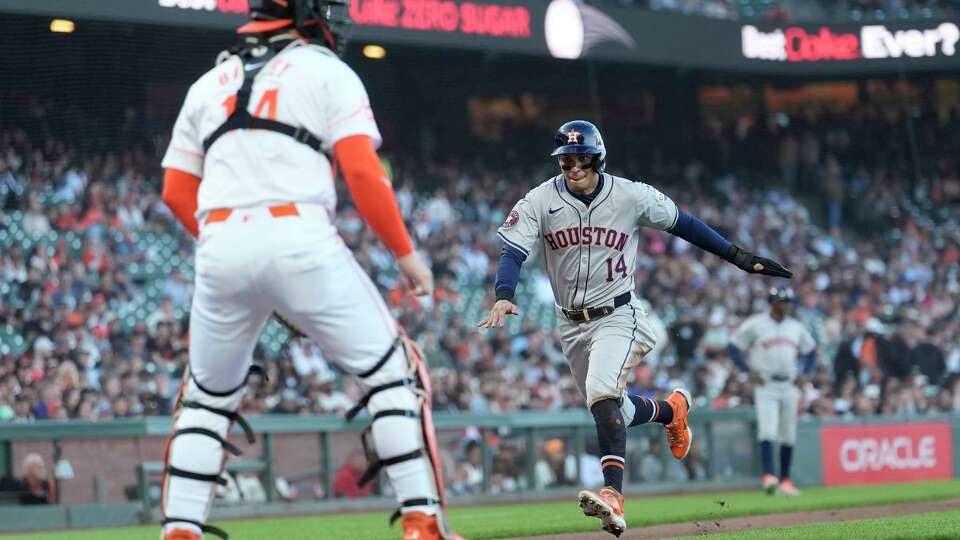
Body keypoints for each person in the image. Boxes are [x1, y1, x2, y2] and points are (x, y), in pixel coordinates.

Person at [158, 1, 459, 539]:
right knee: (395, 373)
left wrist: (241, 255)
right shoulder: (326, 69)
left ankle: (181, 530)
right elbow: (363, 172)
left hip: (220, 244)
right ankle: (422, 523)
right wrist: (406, 254)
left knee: (205, 398)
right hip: (299, 235)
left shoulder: (208, 82)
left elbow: (176, 191)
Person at [478, 120, 793, 537]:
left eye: (582, 158)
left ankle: (614, 494)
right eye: (566, 159)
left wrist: (737, 256)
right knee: (613, 408)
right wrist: (504, 292)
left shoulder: (630, 194)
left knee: (601, 394)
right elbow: (513, 250)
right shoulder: (540, 200)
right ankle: (671, 410)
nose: (573, 166)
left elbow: (686, 223)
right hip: (569, 324)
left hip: (619, 313)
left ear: (598, 158)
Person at [727, 286, 815, 496]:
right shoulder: (757, 324)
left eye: (787, 302)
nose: (785, 305)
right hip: (765, 384)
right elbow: (733, 346)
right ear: (772, 303)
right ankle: (769, 477)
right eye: (781, 302)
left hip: (790, 383)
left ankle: (785, 480)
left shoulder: (796, 327)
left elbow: (810, 351)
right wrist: (747, 371)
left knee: (788, 433)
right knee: (768, 430)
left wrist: (806, 373)